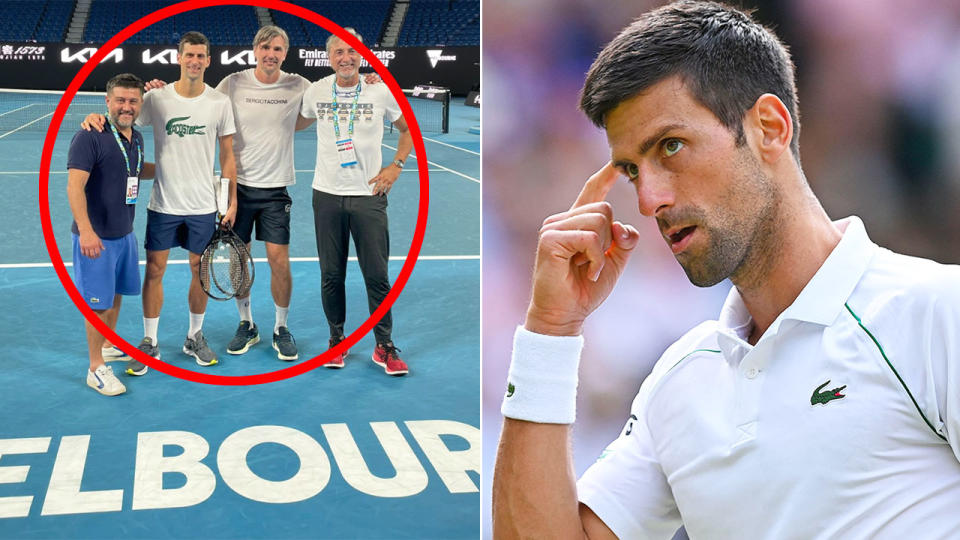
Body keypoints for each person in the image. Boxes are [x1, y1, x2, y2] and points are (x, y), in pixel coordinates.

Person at [492, 2, 960, 538]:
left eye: (671, 147)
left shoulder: (938, 313)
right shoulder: (678, 384)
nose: (648, 200)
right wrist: (550, 331)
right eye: (630, 171)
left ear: (768, 127)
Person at [86, 32, 237, 367]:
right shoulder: (156, 99)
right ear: (179, 58)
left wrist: (231, 200)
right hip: (163, 203)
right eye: (189, 55)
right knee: (155, 270)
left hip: (202, 205)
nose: (195, 61)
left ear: (208, 60)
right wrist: (95, 117)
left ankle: (194, 336)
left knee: (201, 271)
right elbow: (121, 122)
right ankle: (150, 340)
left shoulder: (219, 103)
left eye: (201, 56)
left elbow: (227, 156)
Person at [298, 28, 413, 375]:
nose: (346, 58)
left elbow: (408, 130)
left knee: (377, 275)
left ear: (362, 55)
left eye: (352, 52)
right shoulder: (316, 91)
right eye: (338, 53)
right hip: (327, 195)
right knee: (331, 275)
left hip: (370, 196)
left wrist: (396, 165)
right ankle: (337, 341)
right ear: (329, 57)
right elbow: (295, 124)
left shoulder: (380, 91)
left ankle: (384, 345)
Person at [67, 72, 155, 395]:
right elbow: (74, 187)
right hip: (96, 239)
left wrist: (171, 170)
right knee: (98, 303)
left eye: (133, 101)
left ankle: (106, 346)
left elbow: (136, 169)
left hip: (124, 234)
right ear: (107, 101)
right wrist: (87, 232)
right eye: (120, 100)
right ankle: (95, 368)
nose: (126, 106)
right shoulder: (90, 136)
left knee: (116, 295)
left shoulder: (138, 138)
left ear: (140, 104)